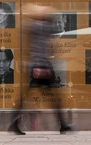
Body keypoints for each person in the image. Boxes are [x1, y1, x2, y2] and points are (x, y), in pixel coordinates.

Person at [8, 4, 72, 135]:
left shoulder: (31, 26)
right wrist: (39, 66)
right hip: (40, 67)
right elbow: (41, 47)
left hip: (37, 66)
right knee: (53, 97)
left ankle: (14, 123)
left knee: (28, 97)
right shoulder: (41, 27)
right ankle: (63, 124)